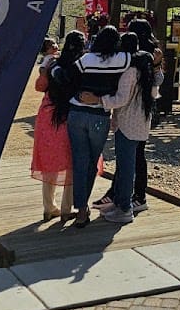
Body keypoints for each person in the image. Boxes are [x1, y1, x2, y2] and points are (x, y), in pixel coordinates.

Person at [59, 25, 132, 227]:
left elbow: (66, 76)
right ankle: (83, 206)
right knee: (92, 162)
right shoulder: (123, 59)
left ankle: (81, 209)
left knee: (79, 161)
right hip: (100, 115)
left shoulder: (86, 59)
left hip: (77, 113)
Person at [92, 17, 164, 214]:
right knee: (133, 157)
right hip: (143, 113)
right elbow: (158, 82)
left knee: (130, 159)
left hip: (132, 114)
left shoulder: (134, 60)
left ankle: (129, 198)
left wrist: (100, 100)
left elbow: (125, 94)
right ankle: (124, 195)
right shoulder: (150, 54)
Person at [30, 35, 75, 220]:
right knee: (70, 161)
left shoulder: (50, 65)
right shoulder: (77, 66)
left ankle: (49, 206)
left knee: (50, 161)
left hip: (47, 114)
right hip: (68, 115)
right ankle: (67, 208)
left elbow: (39, 86)